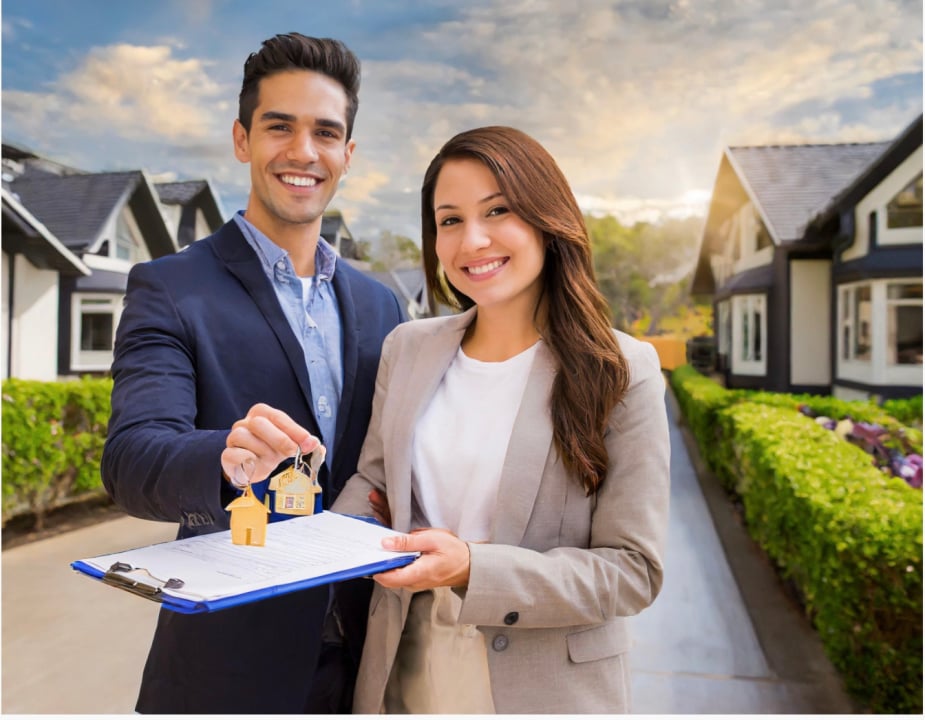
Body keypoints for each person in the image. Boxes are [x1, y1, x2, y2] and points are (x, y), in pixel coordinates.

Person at [101, 33, 405, 714]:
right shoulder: (170, 287)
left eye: (325, 133)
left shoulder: (380, 305)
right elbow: (131, 459)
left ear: (347, 155)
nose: (303, 152)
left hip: (366, 666)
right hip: (225, 675)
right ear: (242, 140)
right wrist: (226, 457)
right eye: (279, 127)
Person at [331, 125, 671, 714]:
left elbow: (632, 571)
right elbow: (375, 484)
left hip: (545, 690)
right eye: (450, 220)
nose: (473, 241)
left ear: (547, 218)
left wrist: (473, 567)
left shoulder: (621, 369)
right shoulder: (407, 348)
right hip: (405, 668)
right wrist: (321, 528)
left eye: (498, 210)